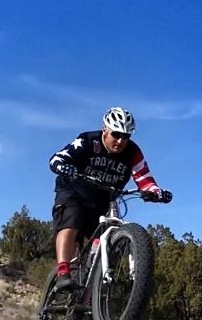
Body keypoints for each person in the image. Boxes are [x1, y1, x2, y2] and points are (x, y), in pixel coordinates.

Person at [48, 107, 173, 290]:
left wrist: (155, 192)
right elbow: (57, 158)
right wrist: (63, 166)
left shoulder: (132, 152)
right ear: (105, 129)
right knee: (72, 219)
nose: (121, 141)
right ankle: (63, 272)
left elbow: (144, 178)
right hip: (74, 190)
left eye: (126, 136)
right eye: (116, 134)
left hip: (102, 199)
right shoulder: (88, 141)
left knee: (105, 235)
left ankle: (93, 285)